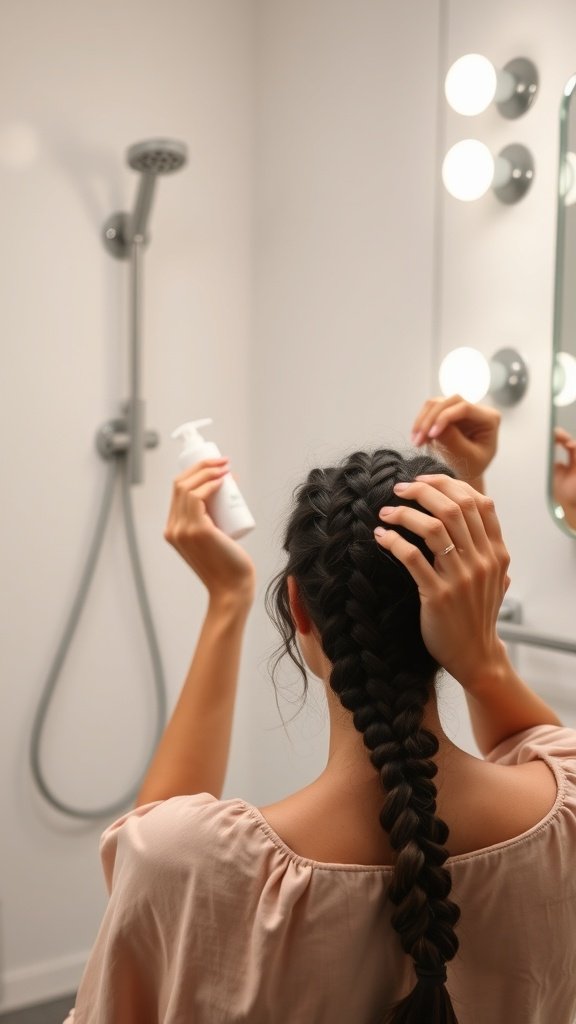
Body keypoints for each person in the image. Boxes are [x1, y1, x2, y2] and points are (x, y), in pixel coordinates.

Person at [64, 397, 576, 1024]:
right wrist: (482, 650)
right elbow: (532, 737)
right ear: (480, 599)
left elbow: (146, 853)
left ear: (299, 608)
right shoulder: (563, 818)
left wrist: (228, 598)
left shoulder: (186, 866)